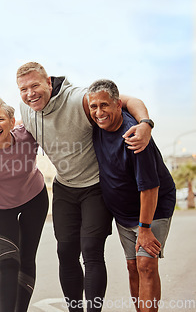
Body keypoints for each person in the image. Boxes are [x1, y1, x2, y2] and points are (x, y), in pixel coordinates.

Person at [14, 62, 153, 312]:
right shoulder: (26, 109)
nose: (30, 93)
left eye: (35, 85)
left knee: (91, 251)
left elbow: (127, 100)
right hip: (65, 187)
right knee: (65, 252)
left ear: (48, 82)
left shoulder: (79, 99)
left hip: (95, 187)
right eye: (23, 89)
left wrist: (145, 123)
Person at [87, 79, 175, 312]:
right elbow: (131, 99)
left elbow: (150, 187)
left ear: (118, 106)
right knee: (133, 267)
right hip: (123, 212)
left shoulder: (134, 137)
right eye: (93, 106)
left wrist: (144, 228)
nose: (98, 112)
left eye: (104, 105)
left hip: (152, 207)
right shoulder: (98, 123)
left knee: (146, 265)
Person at [0, 97, 49, 311]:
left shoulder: (28, 136)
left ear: (12, 122)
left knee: (27, 257)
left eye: (1, 119)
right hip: (1, 208)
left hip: (35, 200)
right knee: (7, 262)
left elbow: (48, 124)